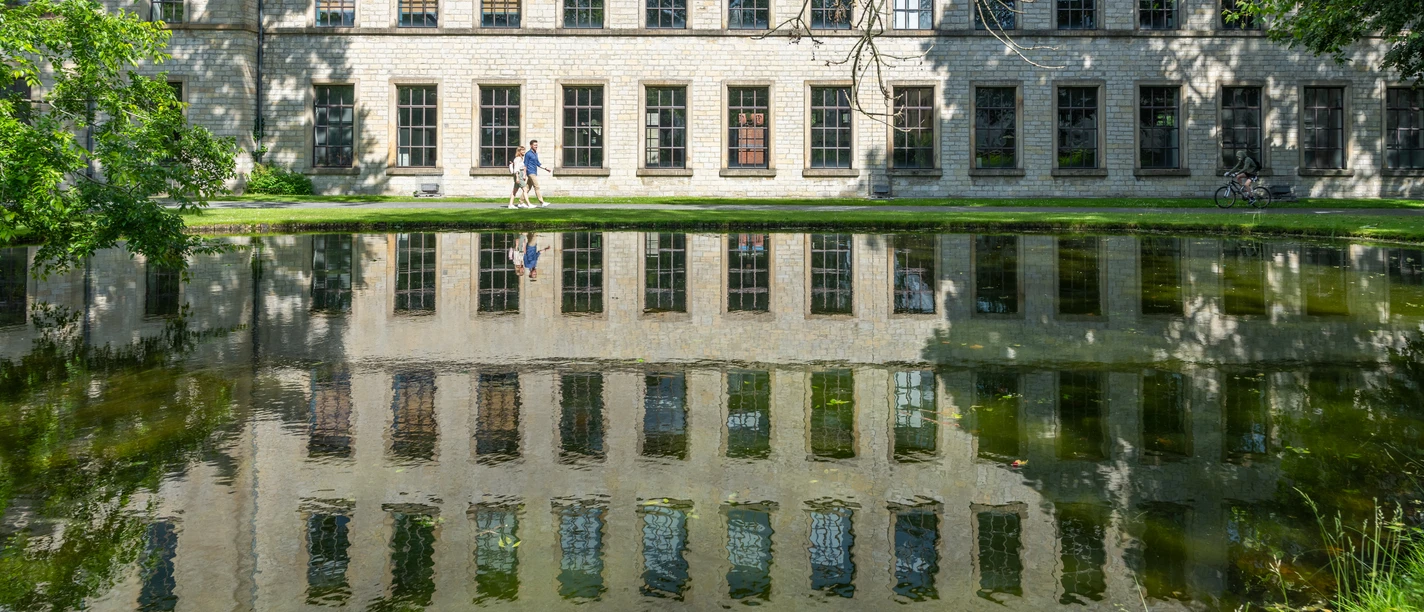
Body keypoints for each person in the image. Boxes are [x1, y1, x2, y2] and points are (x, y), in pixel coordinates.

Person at [524, 139, 551, 207]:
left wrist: (546, 168)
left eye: (537, 145)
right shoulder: (528, 154)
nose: (536, 146)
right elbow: (525, 165)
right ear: (531, 145)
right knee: (537, 187)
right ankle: (542, 202)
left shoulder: (535, 153)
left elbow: (538, 163)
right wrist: (524, 174)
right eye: (535, 145)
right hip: (530, 172)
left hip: (534, 172)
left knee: (527, 188)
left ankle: (520, 202)